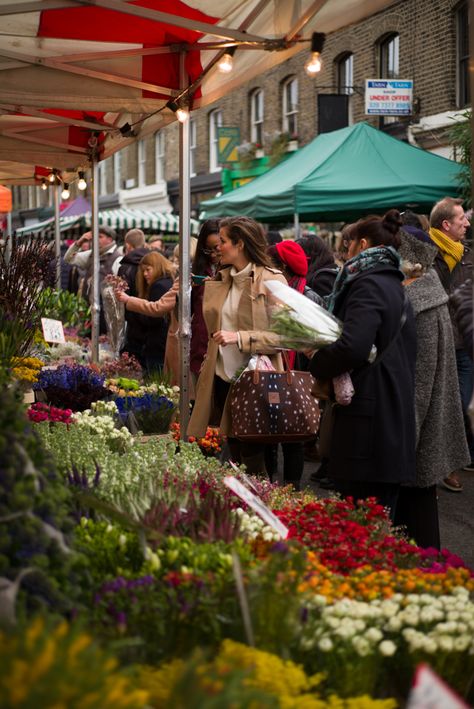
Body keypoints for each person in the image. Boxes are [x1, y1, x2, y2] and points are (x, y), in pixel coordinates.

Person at [309, 209, 417, 518]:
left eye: (347, 244)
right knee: (376, 524)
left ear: (363, 244)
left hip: (370, 426)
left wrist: (318, 360)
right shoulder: (393, 282)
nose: (344, 252)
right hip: (388, 417)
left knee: (362, 525)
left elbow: (353, 347)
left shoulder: (369, 284)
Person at [187, 216, 287, 476]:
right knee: (234, 456)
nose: (216, 247)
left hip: (256, 381)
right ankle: (239, 510)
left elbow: (285, 337)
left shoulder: (272, 281)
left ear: (239, 244)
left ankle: (263, 510)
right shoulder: (222, 279)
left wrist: (239, 337)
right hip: (221, 380)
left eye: (222, 241)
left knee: (253, 461)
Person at [394, 230, 469, 547]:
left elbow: (421, 381)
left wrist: (403, 441)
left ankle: (427, 577)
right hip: (425, 424)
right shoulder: (428, 293)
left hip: (419, 427)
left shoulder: (420, 301)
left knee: (417, 511)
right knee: (419, 505)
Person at [429, 197, 473, 490]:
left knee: (458, 403)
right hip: (437, 341)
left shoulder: (469, 255)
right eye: (461, 220)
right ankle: (443, 465)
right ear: (446, 224)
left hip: (465, 343)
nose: (467, 224)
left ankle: (452, 460)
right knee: (441, 404)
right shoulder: (425, 256)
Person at [265, 239, 308, 489]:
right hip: (275, 368)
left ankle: (291, 490)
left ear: (281, 265)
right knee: (270, 434)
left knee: (293, 435)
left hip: (297, 372)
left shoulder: (306, 295)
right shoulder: (273, 291)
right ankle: (270, 487)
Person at [64, 226, 122, 333]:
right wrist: (79, 242)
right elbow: (68, 259)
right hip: (88, 310)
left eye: (100, 236)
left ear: (110, 239)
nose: (96, 239)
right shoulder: (91, 254)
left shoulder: (118, 259)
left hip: (107, 315)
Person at [133, 251, 175, 374]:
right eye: (143, 271)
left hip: (157, 344)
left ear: (157, 267)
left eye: (148, 270)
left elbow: (154, 317)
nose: (145, 274)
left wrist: (139, 313)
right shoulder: (169, 281)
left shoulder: (158, 286)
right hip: (164, 342)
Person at [190, 219, 221, 387]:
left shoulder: (234, 270)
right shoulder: (198, 269)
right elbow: (187, 311)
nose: (213, 254)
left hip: (224, 343)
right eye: (208, 249)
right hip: (201, 342)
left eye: (217, 248)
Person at [116, 229, 149, 365]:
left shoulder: (125, 267)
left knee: (133, 362)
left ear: (128, 246)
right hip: (153, 319)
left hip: (133, 321)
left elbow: (121, 297)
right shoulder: (154, 262)